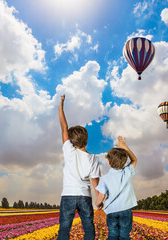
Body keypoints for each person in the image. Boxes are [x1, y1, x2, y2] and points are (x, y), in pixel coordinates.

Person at [57, 94, 100, 240]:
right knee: (88, 227)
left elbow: (64, 127)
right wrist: (99, 199)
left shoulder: (68, 150)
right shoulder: (93, 158)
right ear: (86, 140)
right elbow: (95, 182)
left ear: (70, 140)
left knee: (64, 228)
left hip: (68, 194)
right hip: (85, 196)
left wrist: (61, 107)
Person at [95, 136, 138, 240]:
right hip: (126, 210)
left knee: (113, 235)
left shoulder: (105, 178)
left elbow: (101, 195)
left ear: (109, 162)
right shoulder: (127, 171)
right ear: (124, 162)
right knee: (124, 235)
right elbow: (134, 159)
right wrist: (125, 147)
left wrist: (98, 204)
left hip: (112, 211)